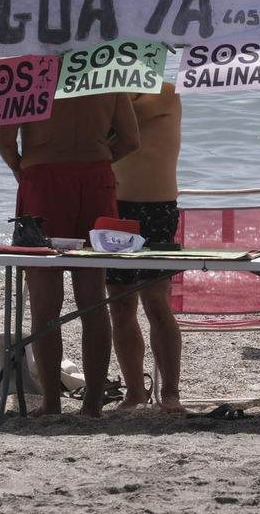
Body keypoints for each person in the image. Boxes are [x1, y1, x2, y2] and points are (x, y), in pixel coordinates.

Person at [0, 91, 140, 417]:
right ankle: (92, 405)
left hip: (42, 178)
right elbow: (131, 140)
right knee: (93, 302)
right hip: (96, 178)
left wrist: (21, 168)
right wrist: (97, 158)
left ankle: (51, 403)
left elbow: (5, 139)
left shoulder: (32, 75)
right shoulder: (106, 75)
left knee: (45, 303)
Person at [107, 82, 185, 413]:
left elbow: (123, 118)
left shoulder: (166, 92)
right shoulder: (107, 96)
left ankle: (170, 393)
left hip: (157, 207)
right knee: (121, 304)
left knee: (156, 301)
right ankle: (135, 391)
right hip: (113, 208)